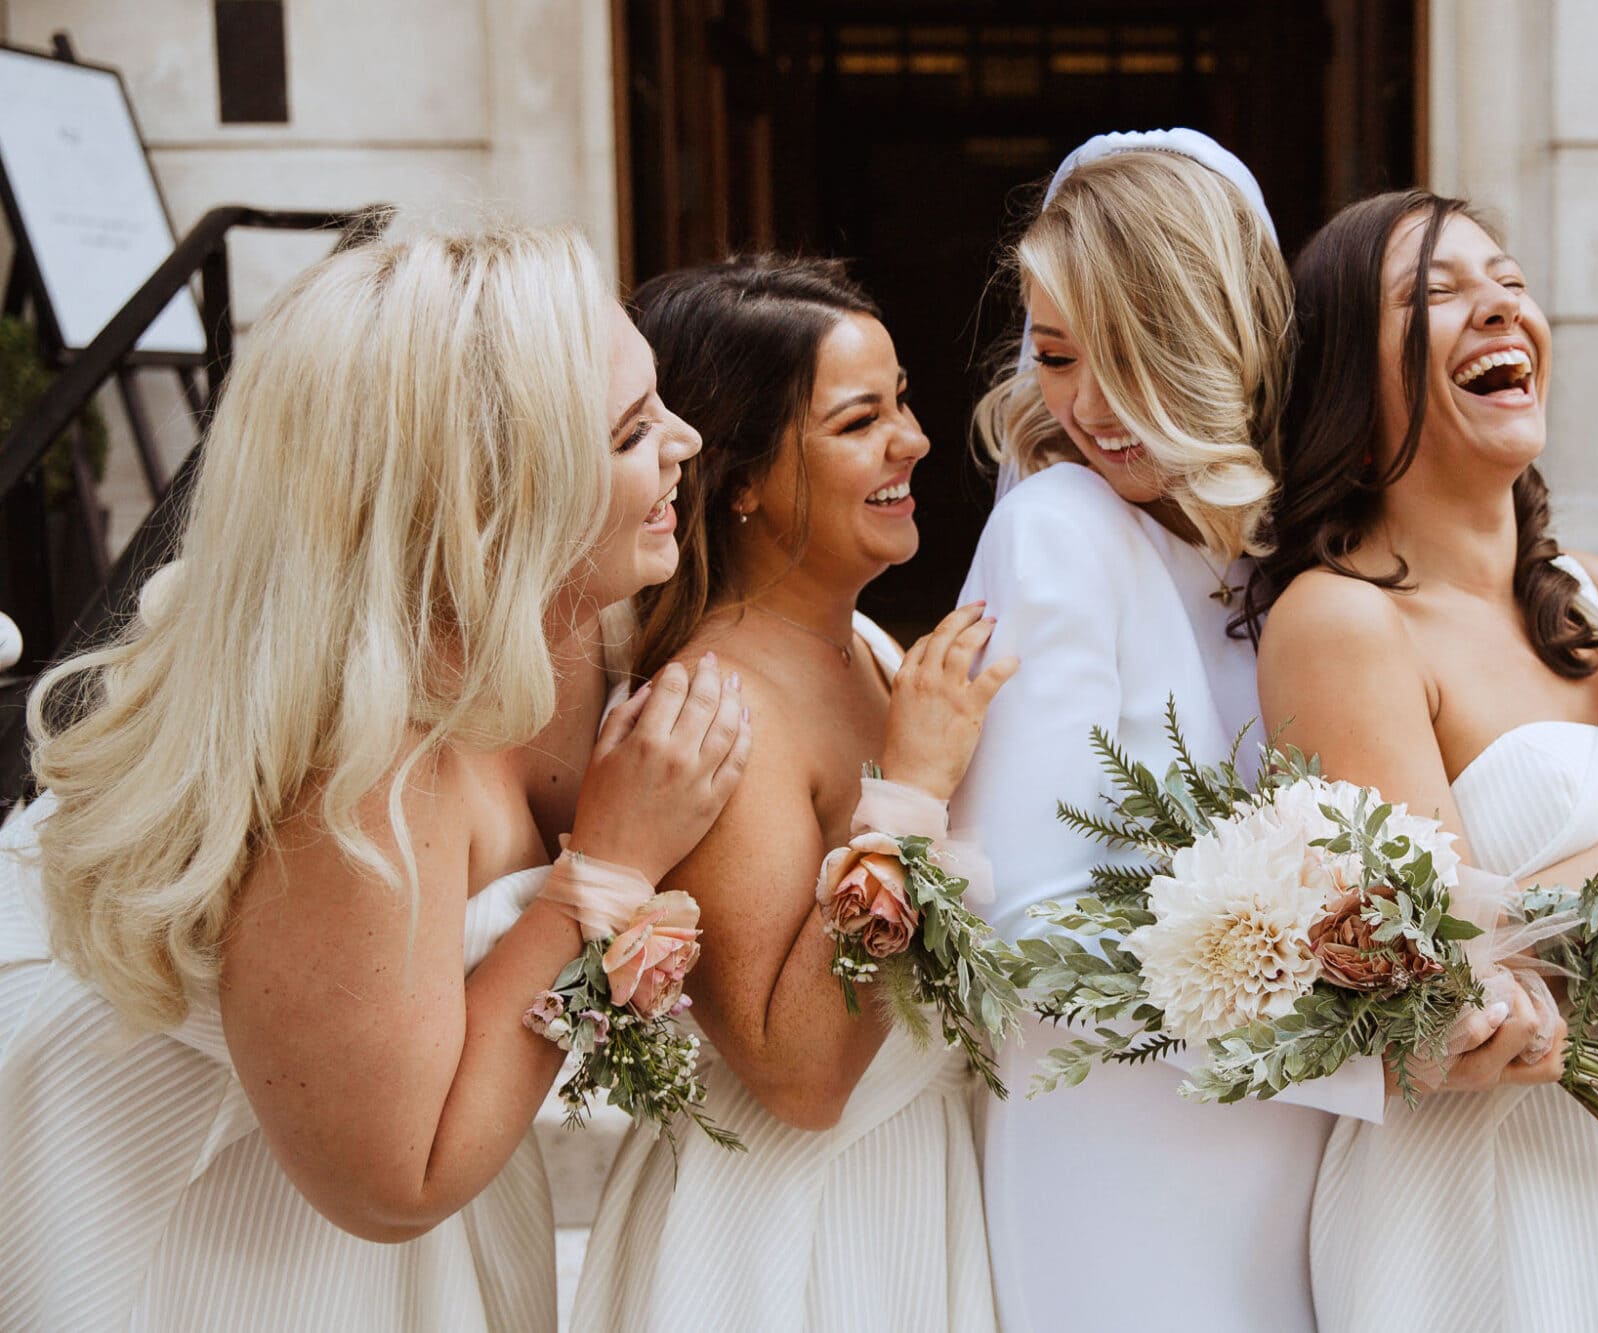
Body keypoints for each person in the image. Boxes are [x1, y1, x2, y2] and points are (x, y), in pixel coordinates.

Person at [0, 222, 748, 1330]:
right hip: (222, 1229)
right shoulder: (357, 757)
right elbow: (392, 1179)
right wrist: (608, 866)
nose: (685, 441)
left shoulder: (549, 623)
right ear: (494, 495)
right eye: (632, 429)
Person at [1254, 189, 1598, 1330]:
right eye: (1434, 294)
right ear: (1351, 383)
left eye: (1508, 281)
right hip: (1493, 1202)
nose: (1499, 308)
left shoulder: (1597, 599)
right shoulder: (1342, 621)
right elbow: (1443, 965)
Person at [952, 130, 1386, 1332]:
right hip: (1117, 1151)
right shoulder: (1058, 529)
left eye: (1130, 354)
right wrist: (1369, 1028)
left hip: (1299, 1146)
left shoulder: (1283, 557)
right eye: (1054, 355)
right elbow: (1026, 920)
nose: (1088, 408)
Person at [575, 256, 1013, 1331]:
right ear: (741, 478)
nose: (913, 440)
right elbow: (795, 1072)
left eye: (901, 401)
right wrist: (910, 792)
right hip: (795, 1232)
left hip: (909, 1183)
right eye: (860, 421)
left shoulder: (865, 645)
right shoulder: (714, 704)